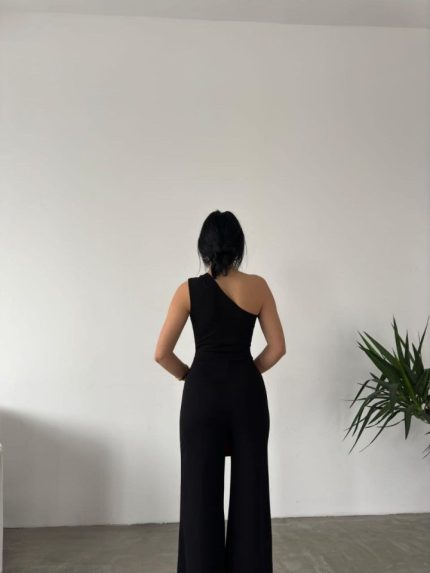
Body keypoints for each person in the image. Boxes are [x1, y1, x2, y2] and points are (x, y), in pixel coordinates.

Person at [154, 209, 286, 573]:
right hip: (247, 397)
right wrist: (246, 372)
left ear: (204, 247)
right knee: (251, 492)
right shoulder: (258, 287)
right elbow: (277, 348)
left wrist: (189, 376)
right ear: (239, 246)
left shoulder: (188, 290)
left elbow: (162, 354)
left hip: (202, 397)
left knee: (199, 495)